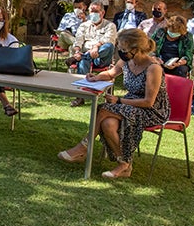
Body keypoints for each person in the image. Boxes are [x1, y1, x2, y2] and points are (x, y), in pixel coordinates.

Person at [58, 28, 170, 179]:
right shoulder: (127, 60)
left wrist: (118, 100)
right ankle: (125, 164)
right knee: (108, 124)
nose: (120, 52)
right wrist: (96, 78)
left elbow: (149, 102)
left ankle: (83, 147)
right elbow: (111, 73)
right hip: (130, 104)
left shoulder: (153, 68)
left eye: (123, 49)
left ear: (135, 49)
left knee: (103, 109)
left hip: (151, 110)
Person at [67, 2, 117, 106]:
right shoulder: (84, 25)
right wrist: (77, 51)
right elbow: (78, 41)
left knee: (108, 46)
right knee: (83, 62)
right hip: (86, 56)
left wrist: (96, 47)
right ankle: (80, 97)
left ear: (102, 13)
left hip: (101, 57)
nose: (93, 14)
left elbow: (109, 39)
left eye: (96, 11)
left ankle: (82, 57)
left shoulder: (110, 25)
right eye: (91, 11)